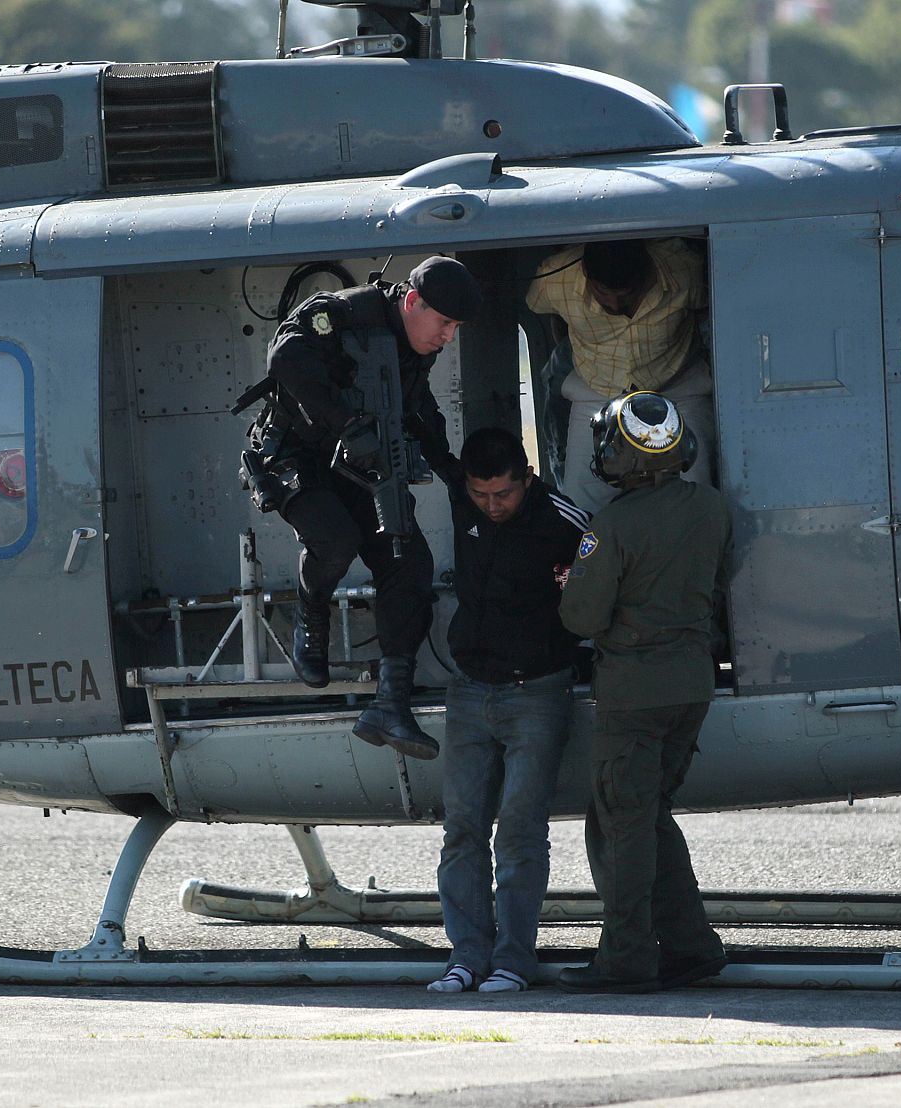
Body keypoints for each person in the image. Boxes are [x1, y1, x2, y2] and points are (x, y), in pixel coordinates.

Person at [247, 256, 482, 760]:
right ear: (413, 302)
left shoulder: (417, 346)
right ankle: (311, 616)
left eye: (456, 328)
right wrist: (347, 423)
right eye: (444, 323)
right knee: (335, 541)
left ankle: (390, 704)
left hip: (362, 461)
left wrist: (456, 475)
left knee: (409, 562)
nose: (447, 336)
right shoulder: (343, 314)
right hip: (297, 455)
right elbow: (285, 358)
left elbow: (419, 408)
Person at [555, 390, 731, 993]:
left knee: (623, 827)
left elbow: (580, 618)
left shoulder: (612, 527)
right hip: (691, 685)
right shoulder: (712, 509)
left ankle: (626, 959)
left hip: (634, 693)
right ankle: (691, 947)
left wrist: (573, 582)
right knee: (650, 816)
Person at [425, 427, 589, 994]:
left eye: (504, 494)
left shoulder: (564, 521)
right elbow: (427, 440)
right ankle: (466, 956)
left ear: (527, 478)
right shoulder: (461, 496)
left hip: (538, 692)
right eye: (480, 495)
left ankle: (514, 960)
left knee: (519, 831)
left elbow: (602, 588)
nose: (492, 506)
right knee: (462, 829)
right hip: (469, 690)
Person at [525, 238, 714, 515]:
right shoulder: (555, 279)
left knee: (696, 488)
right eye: (604, 293)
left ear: (648, 271)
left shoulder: (685, 271)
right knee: (581, 498)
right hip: (595, 389)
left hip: (678, 385)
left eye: (627, 295)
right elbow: (545, 311)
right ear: (587, 275)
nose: (615, 304)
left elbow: (708, 312)